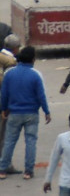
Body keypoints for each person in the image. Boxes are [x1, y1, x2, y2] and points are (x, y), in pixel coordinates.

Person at [0, 46, 51, 180]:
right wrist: (46, 111)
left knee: (9, 141)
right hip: (31, 114)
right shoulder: (35, 75)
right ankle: (28, 171)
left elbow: (4, 94)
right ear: (33, 59)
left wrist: (3, 109)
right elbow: (41, 95)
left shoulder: (9, 74)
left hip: (14, 113)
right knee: (30, 142)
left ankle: (2, 170)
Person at [0, 34, 19, 174]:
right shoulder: (11, 61)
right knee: (5, 135)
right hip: (3, 103)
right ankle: (5, 165)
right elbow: (9, 85)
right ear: (15, 48)